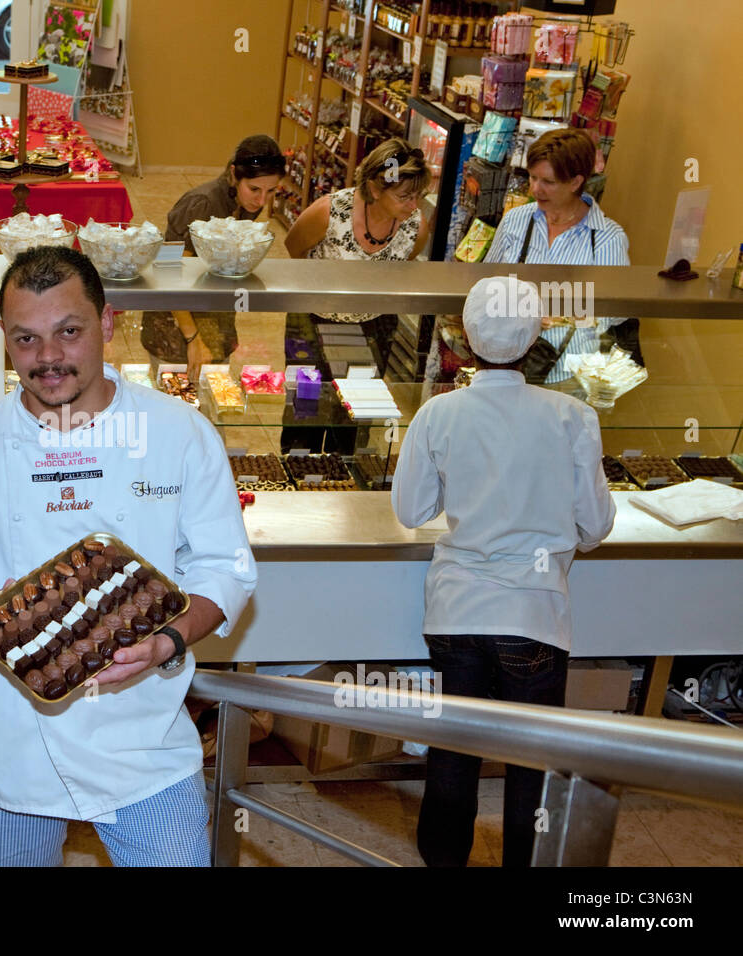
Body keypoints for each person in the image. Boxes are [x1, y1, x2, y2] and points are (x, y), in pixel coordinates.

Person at [0, 246, 257, 867]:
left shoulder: (179, 435)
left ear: (107, 324)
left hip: (142, 736)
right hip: (9, 738)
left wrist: (168, 642)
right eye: (26, 338)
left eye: (68, 332)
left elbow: (225, 568)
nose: (48, 357)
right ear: (4, 337)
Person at [391, 275, 616, 868]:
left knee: (453, 754)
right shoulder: (573, 416)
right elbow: (595, 526)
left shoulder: (437, 413)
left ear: (464, 336)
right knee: (529, 765)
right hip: (534, 617)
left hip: (456, 613)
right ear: (537, 335)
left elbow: (412, 511)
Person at [282, 137, 432, 452]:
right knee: (304, 411)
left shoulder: (414, 226)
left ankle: (340, 486)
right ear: (376, 189)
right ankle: (298, 481)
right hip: (311, 323)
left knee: (352, 418)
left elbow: (402, 263)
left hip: (373, 329)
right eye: (405, 196)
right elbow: (294, 247)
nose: (413, 205)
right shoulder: (330, 211)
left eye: (418, 195)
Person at [484, 127, 635, 385]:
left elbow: (615, 313)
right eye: (532, 178)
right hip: (506, 370)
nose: (535, 189)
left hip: (569, 377)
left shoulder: (607, 239)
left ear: (576, 182)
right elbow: (487, 283)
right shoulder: (516, 221)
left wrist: (561, 314)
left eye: (548, 182)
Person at [140, 134, 285, 380]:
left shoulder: (245, 203)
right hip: (176, 331)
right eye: (255, 189)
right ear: (234, 174)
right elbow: (167, 270)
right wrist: (193, 339)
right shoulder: (202, 204)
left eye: (271, 191)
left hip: (213, 322)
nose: (262, 200)